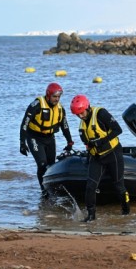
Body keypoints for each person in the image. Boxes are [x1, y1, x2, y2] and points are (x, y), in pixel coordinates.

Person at [70, 94, 130, 222]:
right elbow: (88, 144)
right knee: (90, 186)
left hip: (113, 153)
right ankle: (91, 216)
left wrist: (101, 141)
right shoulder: (82, 126)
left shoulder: (101, 114)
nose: (80, 116)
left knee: (119, 186)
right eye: (77, 114)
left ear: (87, 107)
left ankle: (126, 212)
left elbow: (118, 130)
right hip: (97, 157)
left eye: (82, 113)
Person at [19, 82, 74, 198]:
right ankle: (44, 191)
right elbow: (25, 123)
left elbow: (65, 126)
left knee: (51, 165)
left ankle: (51, 189)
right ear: (48, 95)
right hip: (34, 137)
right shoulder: (37, 105)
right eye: (54, 96)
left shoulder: (60, 109)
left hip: (49, 138)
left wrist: (69, 142)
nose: (57, 99)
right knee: (42, 164)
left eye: (59, 97)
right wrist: (22, 143)